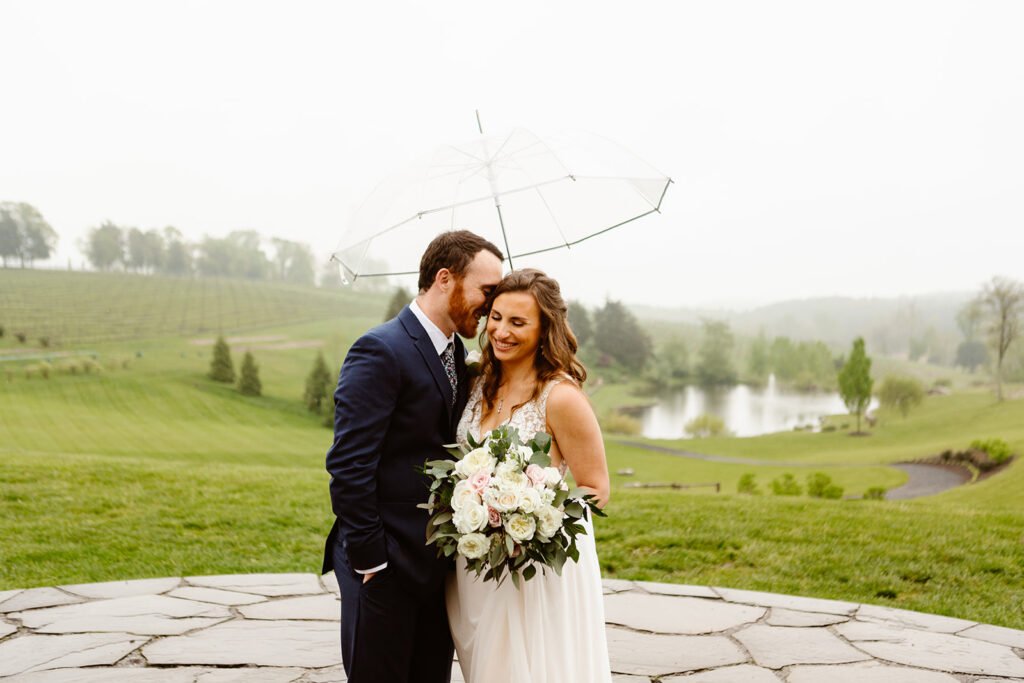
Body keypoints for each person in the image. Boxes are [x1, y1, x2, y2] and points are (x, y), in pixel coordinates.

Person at [323, 230, 504, 683]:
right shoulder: (380, 349)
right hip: (382, 566)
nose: (491, 304)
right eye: (487, 290)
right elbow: (349, 465)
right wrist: (372, 562)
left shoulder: (458, 355)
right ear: (445, 279)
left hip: (433, 567)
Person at [446, 268, 613, 683]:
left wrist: (536, 522)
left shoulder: (561, 398)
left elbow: (596, 488)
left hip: (531, 569)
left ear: (544, 330)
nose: (501, 331)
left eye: (518, 322)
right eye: (497, 317)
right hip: (475, 560)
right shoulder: (478, 383)